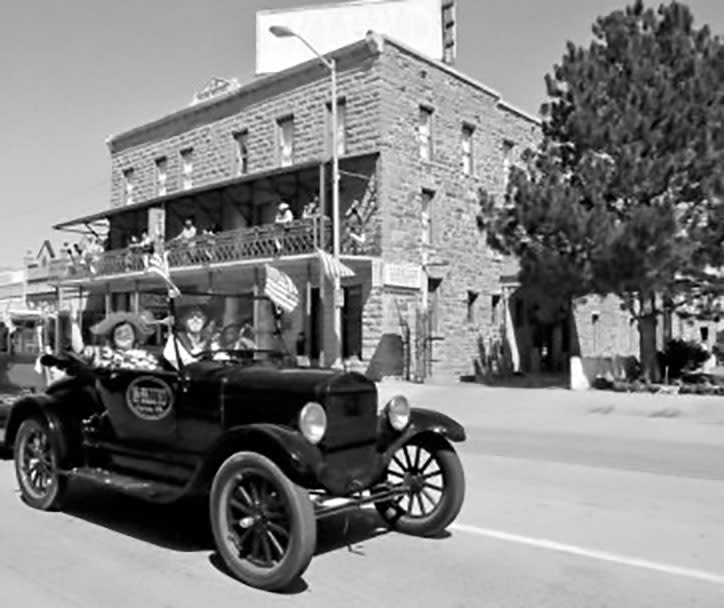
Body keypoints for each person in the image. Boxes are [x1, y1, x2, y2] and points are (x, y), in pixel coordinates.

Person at [68, 311, 162, 371]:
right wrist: (73, 324)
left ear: (135, 336)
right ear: (112, 338)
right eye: (119, 333)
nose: (123, 335)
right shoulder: (102, 353)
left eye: (127, 332)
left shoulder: (147, 357)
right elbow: (80, 351)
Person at [163, 303, 216, 369]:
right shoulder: (175, 340)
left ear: (205, 321)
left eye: (199, 316)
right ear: (183, 321)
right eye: (191, 316)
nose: (195, 320)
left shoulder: (210, 342)